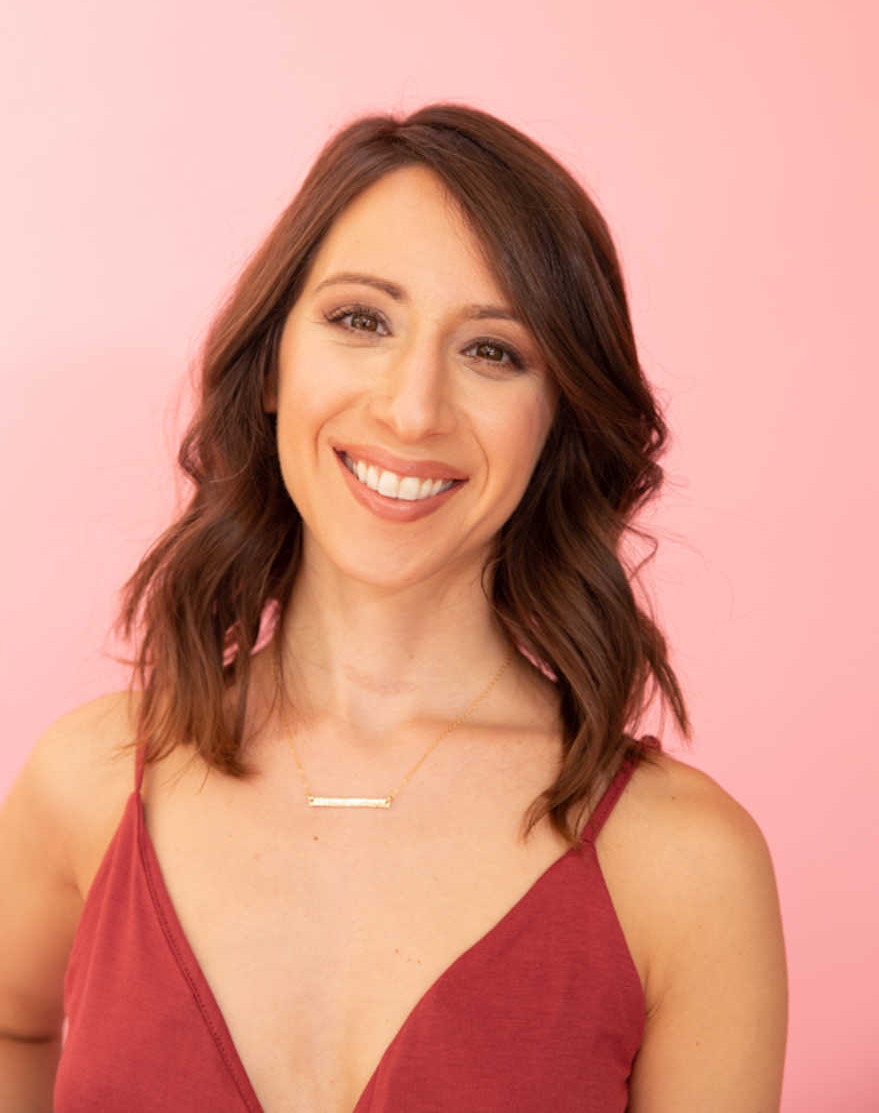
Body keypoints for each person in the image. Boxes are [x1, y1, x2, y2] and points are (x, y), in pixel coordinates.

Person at [0, 103, 788, 1111]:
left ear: (558, 420)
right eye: (362, 320)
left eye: (495, 352)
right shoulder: (90, 783)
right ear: (275, 362)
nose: (413, 407)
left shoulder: (683, 870)